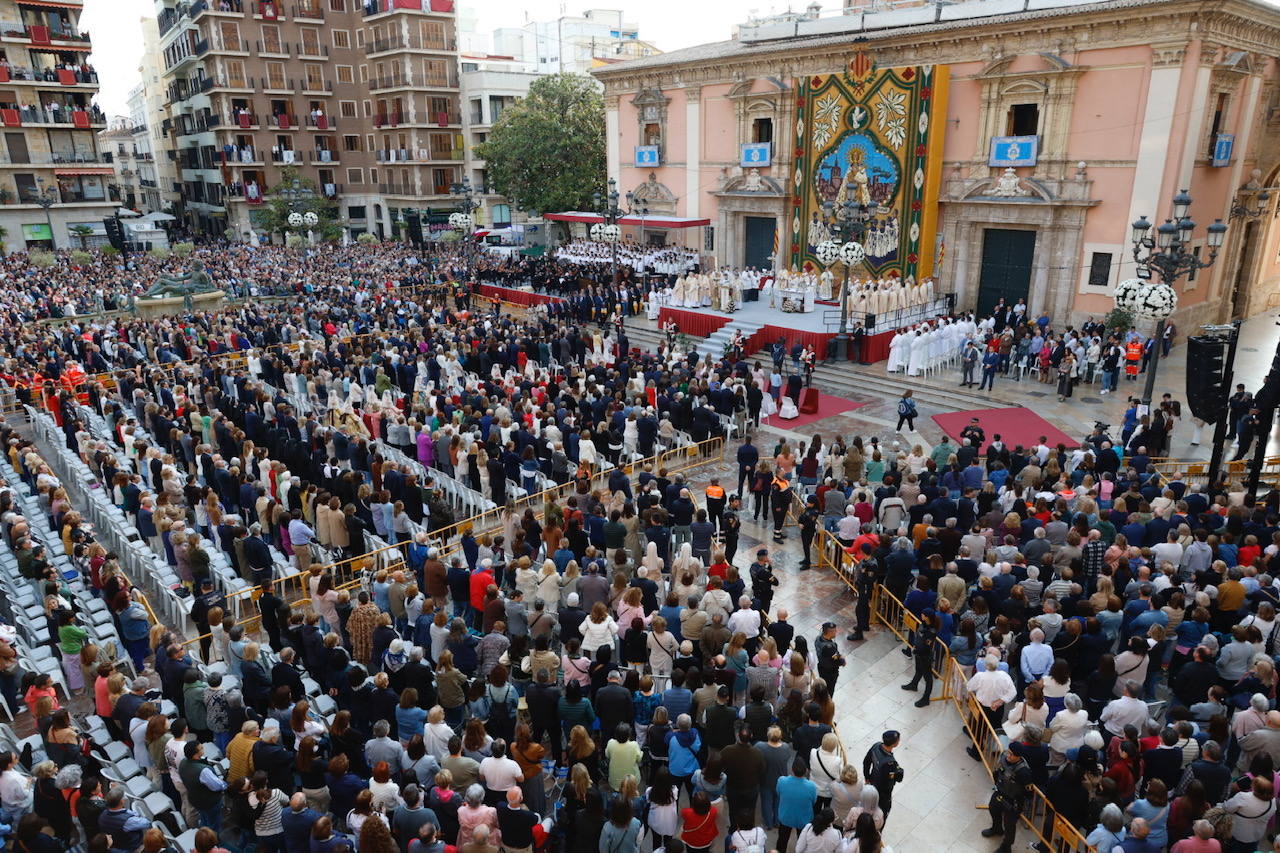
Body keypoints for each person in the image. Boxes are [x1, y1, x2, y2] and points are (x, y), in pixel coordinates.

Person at [981, 747, 1032, 853]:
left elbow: (1028, 792)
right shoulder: (1004, 757)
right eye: (1009, 752)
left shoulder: (1024, 771)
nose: (1008, 755)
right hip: (1000, 792)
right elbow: (998, 771)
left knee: (1009, 824)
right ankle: (997, 829)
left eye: (1012, 754)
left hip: (1014, 801)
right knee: (993, 808)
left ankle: (1006, 846)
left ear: (1019, 756)